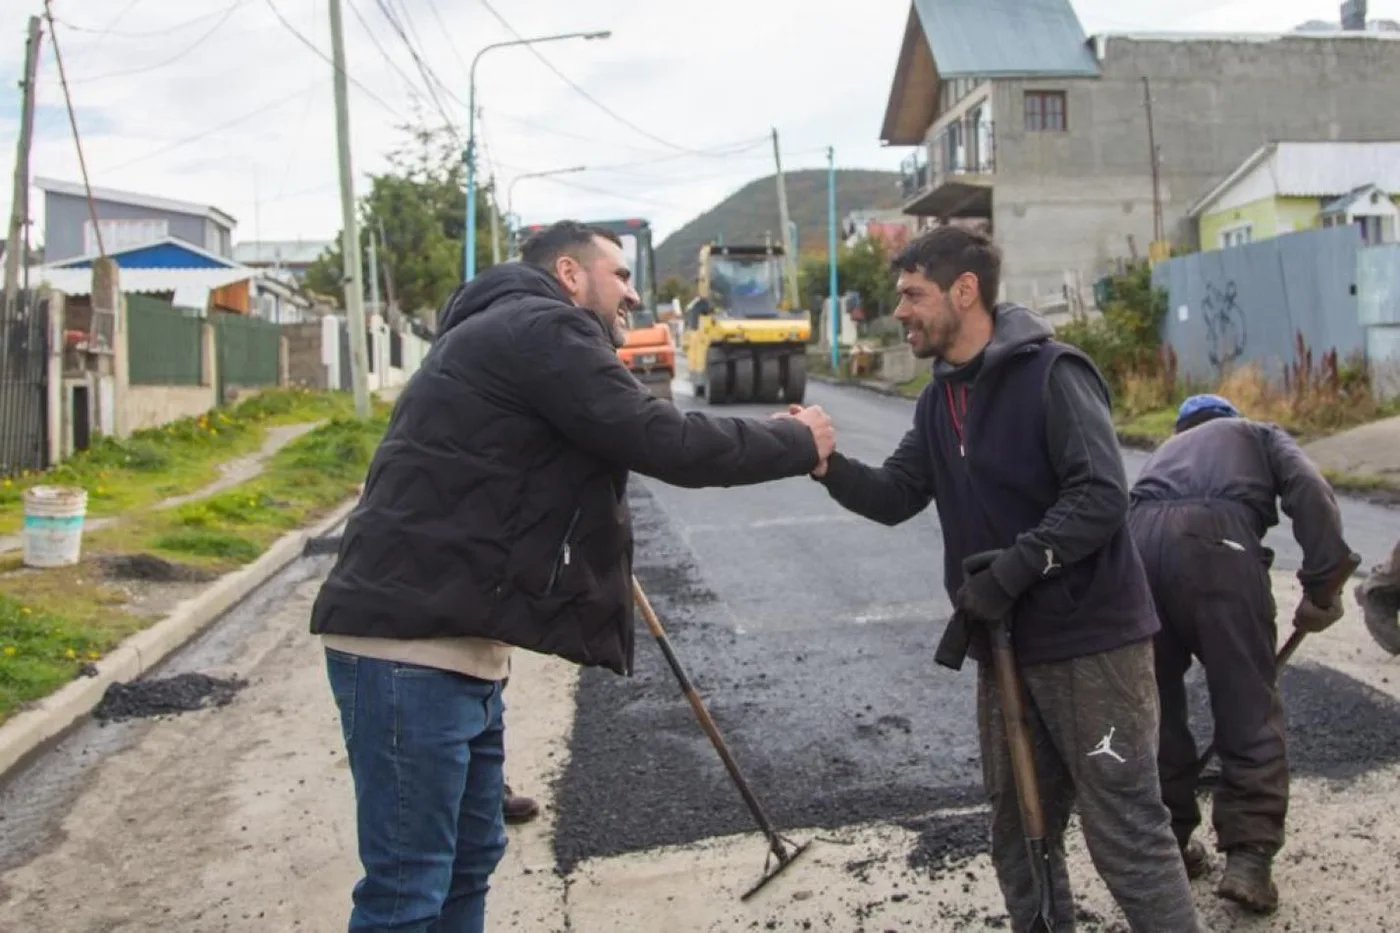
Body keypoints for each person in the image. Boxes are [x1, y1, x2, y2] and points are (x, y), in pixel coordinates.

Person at [309, 220, 834, 933]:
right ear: (569, 273)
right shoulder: (541, 329)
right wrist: (795, 440)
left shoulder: (507, 333)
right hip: (410, 650)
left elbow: (533, 465)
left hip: (454, 641)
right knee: (407, 889)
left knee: (470, 858)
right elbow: (661, 438)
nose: (634, 292)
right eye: (618, 275)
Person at [804, 226, 1202, 932]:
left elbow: (1103, 495)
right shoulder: (937, 402)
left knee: (1126, 830)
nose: (901, 310)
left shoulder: (1053, 373)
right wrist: (826, 463)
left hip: (1093, 648)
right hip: (1008, 649)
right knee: (1020, 832)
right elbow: (897, 493)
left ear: (966, 291)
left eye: (913, 294)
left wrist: (1017, 567)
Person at [1126, 393, 1354, 914]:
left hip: (1136, 549)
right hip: (1215, 544)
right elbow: (1311, 491)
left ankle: (1171, 847)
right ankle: (1249, 859)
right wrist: (1323, 584)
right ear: (1228, 420)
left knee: (1153, 709)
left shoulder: (1160, 455)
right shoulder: (1258, 433)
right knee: (1246, 704)